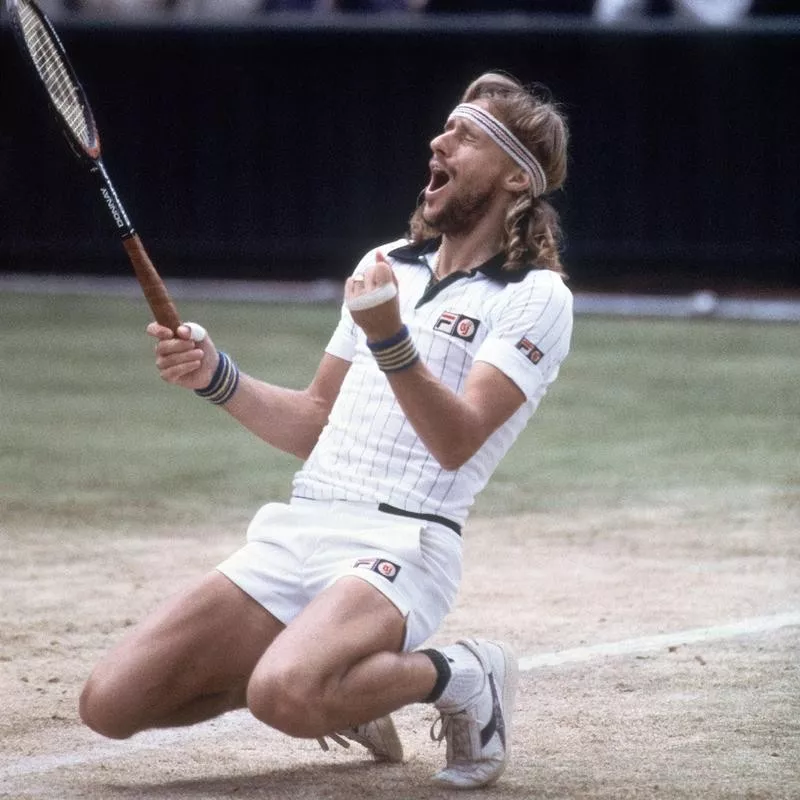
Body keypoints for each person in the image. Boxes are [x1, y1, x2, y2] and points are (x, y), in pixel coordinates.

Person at [78, 70, 573, 790]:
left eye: (465, 135)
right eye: (446, 126)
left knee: (283, 694)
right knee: (109, 705)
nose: (438, 141)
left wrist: (390, 339)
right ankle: (343, 673)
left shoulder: (537, 296)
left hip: (406, 541)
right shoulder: (383, 267)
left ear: (516, 180)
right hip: (302, 526)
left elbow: (458, 438)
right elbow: (315, 420)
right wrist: (215, 374)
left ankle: (460, 674)